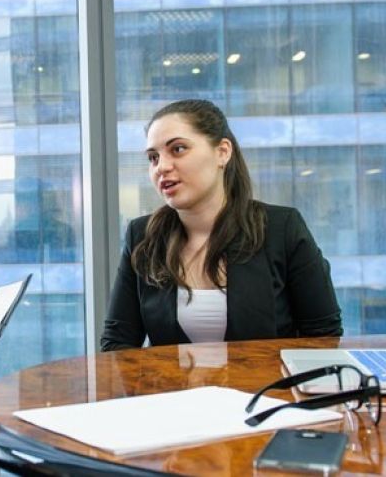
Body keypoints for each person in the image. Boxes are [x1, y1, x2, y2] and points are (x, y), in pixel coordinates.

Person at [101, 99, 342, 351]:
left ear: (222, 152)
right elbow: (117, 343)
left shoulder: (282, 229)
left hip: (264, 390)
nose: (162, 167)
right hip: (175, 390)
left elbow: (323, 336)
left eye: (178, 149)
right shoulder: (142, 236)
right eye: (153, 157)